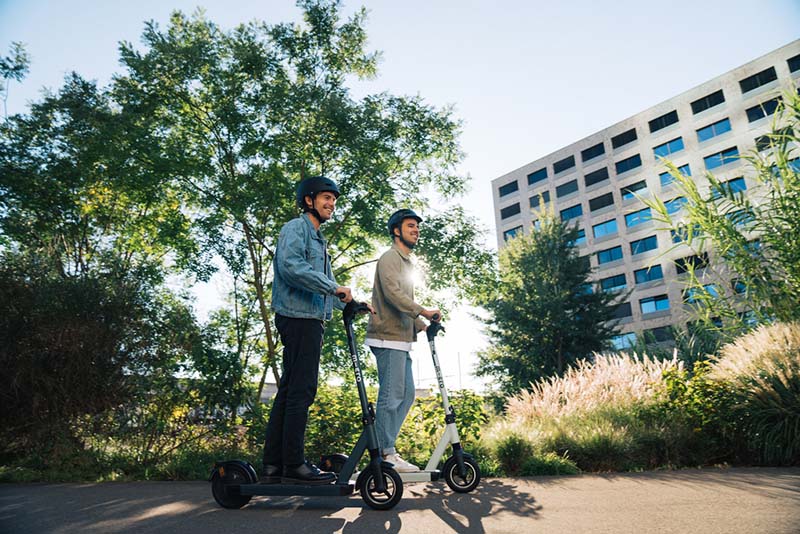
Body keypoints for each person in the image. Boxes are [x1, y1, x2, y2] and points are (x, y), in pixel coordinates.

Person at [261, 175, 355, 485]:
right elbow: (291, 267)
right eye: (326, 198)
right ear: (308, 200)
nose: (332, 204)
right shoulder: (295, 229)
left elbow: (325, 287)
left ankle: (275, 464)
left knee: (289, 391)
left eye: (334, 200)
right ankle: (295, 464)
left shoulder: (319, 240)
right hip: (299, 318)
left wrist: (352, 304)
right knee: (302, 390)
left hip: (308, 318)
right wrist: (334, 287)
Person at [365, 208, 440, 472]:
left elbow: (400, 305)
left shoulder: (406, 263)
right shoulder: (390, 258)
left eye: (417, 227)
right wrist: (423, 310)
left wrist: (421, 324)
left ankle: (384, 446)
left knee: (406, 396)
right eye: (410, 226)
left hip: (401, 339)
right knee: (391, 396)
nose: (416, 231)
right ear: (396, 230)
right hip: (387, 338)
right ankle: (386, 455)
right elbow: (393, 294)